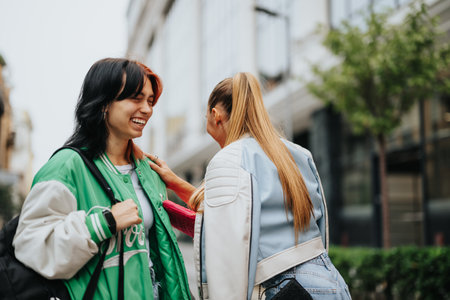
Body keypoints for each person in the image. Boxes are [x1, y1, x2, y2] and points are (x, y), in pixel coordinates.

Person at [148, 72, 351, 299]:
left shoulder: (229, 159)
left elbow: (228, 257)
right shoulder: (298, 154)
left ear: (215, 115)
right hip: (329, 282)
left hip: (282, 288)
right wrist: (176, 183)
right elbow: (316, 227)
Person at [13, 58, 191, 300]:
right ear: (104, 103)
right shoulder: (66, 166)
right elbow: (31, 245)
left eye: (150, 101)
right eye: (136, 98)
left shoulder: (149, 171)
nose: (147, 109)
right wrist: (103, 223)